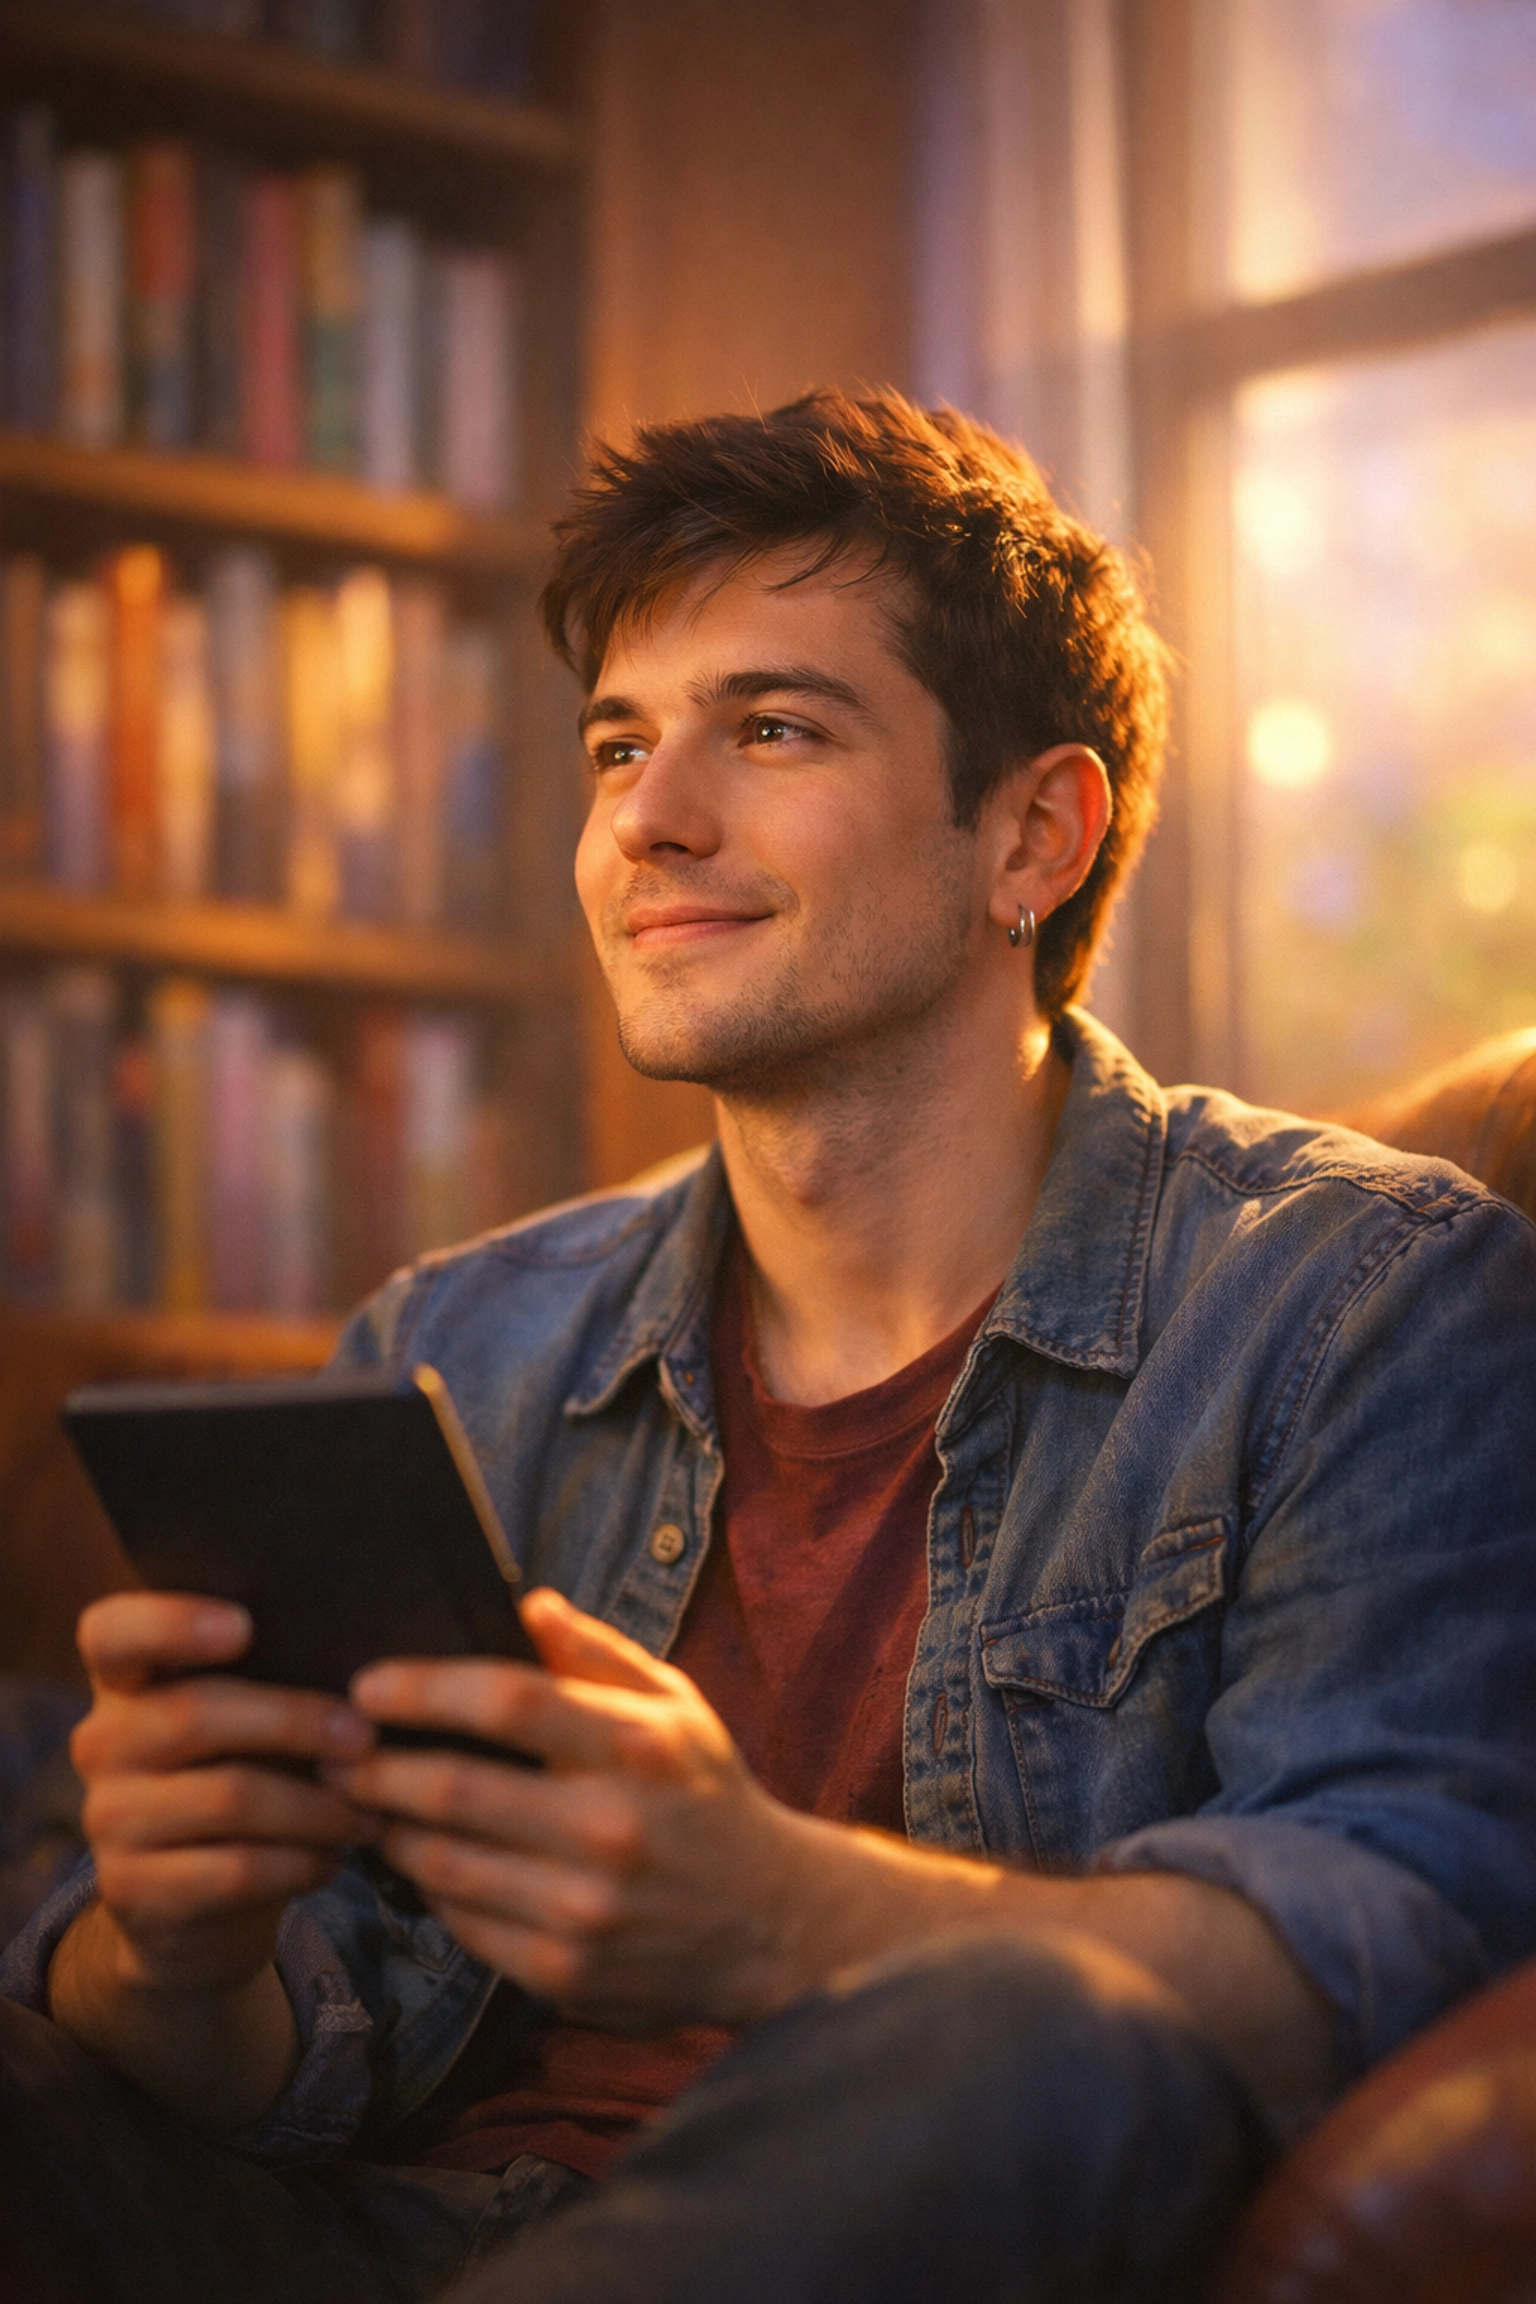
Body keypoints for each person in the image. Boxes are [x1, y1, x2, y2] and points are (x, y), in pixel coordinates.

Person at [4, 390, 1535, 2304]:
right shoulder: (453, 1342)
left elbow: (1413, 1936)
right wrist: (166, 1950)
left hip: (890, 2213)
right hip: (363, 2235)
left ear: (1032, 836)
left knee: (1047, 2033)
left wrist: (776, 1916)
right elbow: (291, 2049)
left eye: (775, 726)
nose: (650, 816)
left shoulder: (1363, 1303)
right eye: (620, 744)